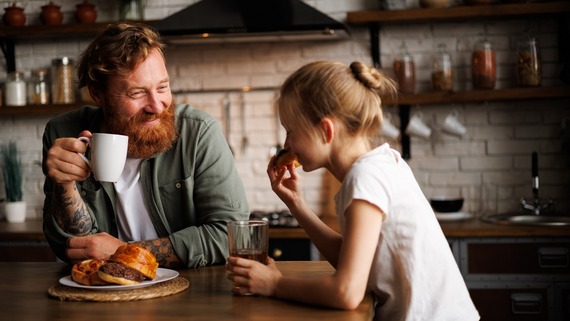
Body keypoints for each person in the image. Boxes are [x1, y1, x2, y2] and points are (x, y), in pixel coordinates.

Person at [226, 61, 480, 320]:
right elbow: (350, 259)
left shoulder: (365, 177)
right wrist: (297, 204)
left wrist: (274, 284)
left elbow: (346, 292)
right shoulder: (382, 164)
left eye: (291, 131)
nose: (287, 144)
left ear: (326, 130)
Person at [42, 22, 249, 269]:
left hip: (189, 289)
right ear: (98, 94)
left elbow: (232, 237)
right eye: (137, 93)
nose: (157, 106)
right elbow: (72, 244)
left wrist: (124, 252)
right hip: (104, 291)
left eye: (162, 87)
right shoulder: (64, 134)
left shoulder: (199, 132)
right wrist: (64, 185)